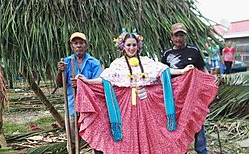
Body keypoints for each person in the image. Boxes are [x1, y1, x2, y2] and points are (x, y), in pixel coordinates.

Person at [75, 30, 218, 153]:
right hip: (126, 107)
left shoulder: (146, 61)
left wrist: (182, 70)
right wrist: (87, 81)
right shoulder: (117, 64)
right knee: (129, 136)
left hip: (146, 105)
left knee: (152, 135)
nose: (131, 48)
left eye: (134, 45)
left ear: (138, 46)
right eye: (128, 45)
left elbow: (163, 71)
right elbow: (105, 79)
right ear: (123, 46)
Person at [161, 23, 210, 154]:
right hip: (176, 97)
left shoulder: (194, 51)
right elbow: (163, 74)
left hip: (193, 95)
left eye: (181, 35)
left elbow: (202, 69)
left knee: (197, 121)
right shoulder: (167, 54)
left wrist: (209, 83)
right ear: (171, 37)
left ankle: (202, 150)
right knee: (179, 125)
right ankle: (181, 151)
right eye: (176, 35)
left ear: (185, 36)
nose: (179, 39)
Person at [55, 32, 102, 154]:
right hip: (72, 107)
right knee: (72, 142)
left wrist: (81, 85)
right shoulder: (66, 62)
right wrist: (60, 72)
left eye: (81, 43)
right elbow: (59, 84)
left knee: (96, 140)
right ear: (72, 46)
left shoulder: (94, 63)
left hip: (91, 108)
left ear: (86, 45)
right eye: (76, 43)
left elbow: (98, 85)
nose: (78, 46)